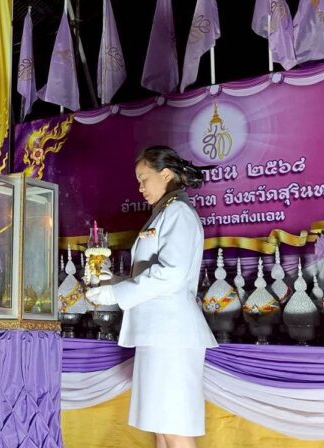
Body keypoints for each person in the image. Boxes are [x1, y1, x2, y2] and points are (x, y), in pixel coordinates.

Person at [86, 146, 217, 448]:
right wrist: (111, 281)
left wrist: (115, 292)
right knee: (160, 426)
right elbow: (149, 274)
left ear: (166, 174)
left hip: (172, 335)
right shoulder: (164, 213)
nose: (141, 188)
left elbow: (171, 274)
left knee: (174, 427)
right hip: (157, 333)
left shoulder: (178, 213)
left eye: (144, 179)